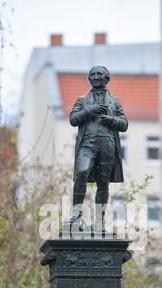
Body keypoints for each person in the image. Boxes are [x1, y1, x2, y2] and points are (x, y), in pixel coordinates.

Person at [69, 65, 128, 231]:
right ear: (89, 78)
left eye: (99, 74)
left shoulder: (115, 101)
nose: (95, 77)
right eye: (92, 74)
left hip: (108, 144)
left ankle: (99, 221)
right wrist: (89, 111)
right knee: (81, 172)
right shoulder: (82, 100)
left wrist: (111, 120)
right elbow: (73, 119)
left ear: (106, 78)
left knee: (104, 183)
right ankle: (75, 214)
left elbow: (124, 124)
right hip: (88, 143)